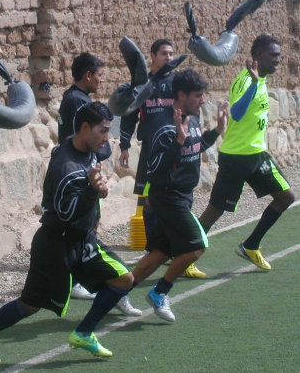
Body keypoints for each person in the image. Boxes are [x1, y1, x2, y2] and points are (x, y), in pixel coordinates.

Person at [0, 102, 135, 364]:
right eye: (102, 131)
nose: (106, 138)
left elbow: (91, 188)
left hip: (82, 240)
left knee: (124, 280)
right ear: (85, 128)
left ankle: (84, 332)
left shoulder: (85, 147)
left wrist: (98, 191)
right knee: (30, 305)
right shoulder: (66, 168)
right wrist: (92, 191)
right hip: (55, 246)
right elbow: (67, 214)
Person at [129, 69, 228, 322]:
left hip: (182, 196)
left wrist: (216, 130)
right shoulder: (164, 126)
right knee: (197, 246)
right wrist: (177, 143)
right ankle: (160, 292)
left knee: (161, 251)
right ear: (181, 95)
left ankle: (120, 290)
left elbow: (195, 147)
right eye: (198, 96)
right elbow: (153, 168)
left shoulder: (191, 118)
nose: (203, 101)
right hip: (167, 196)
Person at [198, 34, 294, 270]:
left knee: (286, 198)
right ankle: (184, 252)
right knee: (215, 210)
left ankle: (251, 245)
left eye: (279, 56)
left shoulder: (260, 79)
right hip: (236, 157)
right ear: (259, 55)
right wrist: (252, 84)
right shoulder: (245, 80)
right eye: (274, 56)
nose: (278, 61)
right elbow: (238, 114)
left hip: (256, 155)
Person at [58, 52, 140, 316]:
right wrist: (103, 152)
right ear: (88, 75)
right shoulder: (77, 102)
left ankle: (77, 280)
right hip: (80, 174)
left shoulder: (78, 99)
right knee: (84, 228)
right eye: (100, 75)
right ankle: (97, 283)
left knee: (87, 228)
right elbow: (77, 141)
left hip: (82, 171)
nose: (102, 80)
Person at [119, 39, 205, 278]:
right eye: (164, 53)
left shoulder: (175, 85)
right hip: (151, 148)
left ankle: (184, 253)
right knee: (147, 196)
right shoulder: (142, 84)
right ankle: (154, 247)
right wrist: (124, 145)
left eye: (171, 53)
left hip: (174, 145)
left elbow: (189, 112)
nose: (169, 57)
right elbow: (129, 114)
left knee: (179, 196)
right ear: (152, 55)